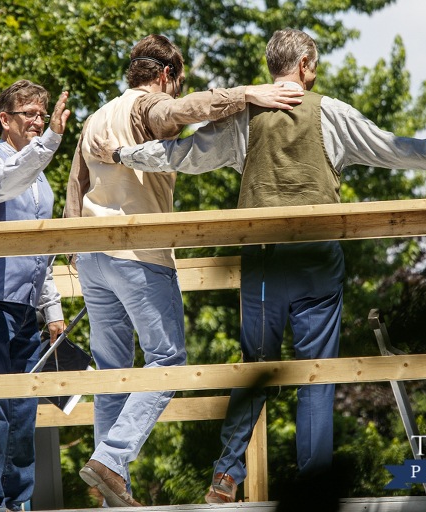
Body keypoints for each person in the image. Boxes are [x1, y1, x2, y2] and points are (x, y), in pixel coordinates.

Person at [93, 28, 426, 503]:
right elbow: (399, 148)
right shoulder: (332, 114)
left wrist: (124, 154)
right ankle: (314, 489)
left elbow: (180, 155)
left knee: (256, 367)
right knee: (317, 375)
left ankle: (226, 477)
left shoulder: (243, 119)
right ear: (306, 64)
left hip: (264, 264)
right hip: (316, 261)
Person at [63, 34, 304, 507]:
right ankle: (111, 458)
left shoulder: (96, 117)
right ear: (166, 75)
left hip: (91, 258)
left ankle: (114, 488)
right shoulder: (146, 106)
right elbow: (175, 113)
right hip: (139, 255)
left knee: (115, 372)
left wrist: (75, 253)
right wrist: (246, 94)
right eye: (176, 82)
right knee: (168, 362)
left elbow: (76, 186)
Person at [0, 79, 70, 512]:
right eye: (30, 114)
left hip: (25, 305)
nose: (39, 121)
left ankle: (18, 502)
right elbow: (6, 183)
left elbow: (41, 251)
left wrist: (52, 310)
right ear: (5, 120)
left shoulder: (40, 181)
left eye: (43, 115)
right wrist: (52, 142)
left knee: (22, 407)